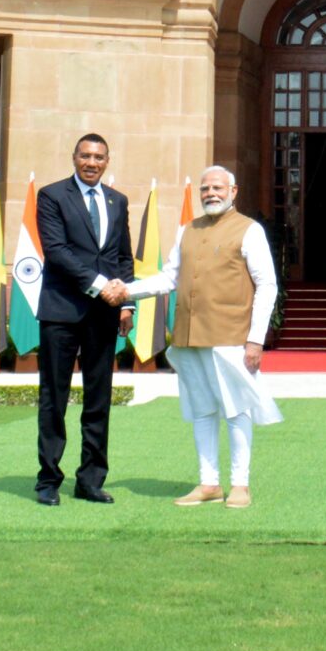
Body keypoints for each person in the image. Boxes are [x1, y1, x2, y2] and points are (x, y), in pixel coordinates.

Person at [118, 165, 281, 509]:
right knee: (202, 411)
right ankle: (209, 483)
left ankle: (240, 484)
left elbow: (267, 285)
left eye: (218, 187)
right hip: (189, 337)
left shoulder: (249, 230)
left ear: (233, 192)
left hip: (232, 337)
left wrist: (256, 339)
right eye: (205, 188)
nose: (211, 193)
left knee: (237, 410)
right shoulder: (186, 230)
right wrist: (127, 292)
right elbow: (168, 278)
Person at [32, 134, 132, 505]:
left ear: (108, 161)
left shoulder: (117, 200)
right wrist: (100, 285)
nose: (92, 162)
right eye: (86, 156)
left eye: (99, 157)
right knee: (54, 398)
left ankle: (90, 480)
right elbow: (56, 251)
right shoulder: (52, 196)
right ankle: (48, 480)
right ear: (74, 157)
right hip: (62, 311)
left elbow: (123, 255)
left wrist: (126, 304)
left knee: (98, 399)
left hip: (105, 314)